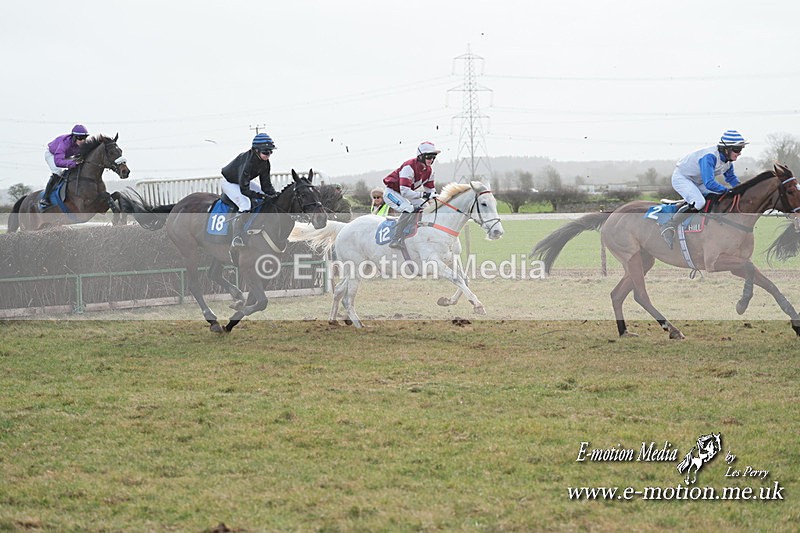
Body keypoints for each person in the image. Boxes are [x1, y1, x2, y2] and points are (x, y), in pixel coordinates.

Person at [661, 129, 747, 249]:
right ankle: (669, 225)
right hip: (682, 177)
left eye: (741, 149)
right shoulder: (710, 157)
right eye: (737, 150)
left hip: (698, 181)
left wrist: (743, 190)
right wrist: (729, 191)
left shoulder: (728, 162)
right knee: (700, 202)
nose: (739, 153)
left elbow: (732, 179)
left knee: (716, 197)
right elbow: (710, 183)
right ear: (726, 149)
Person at [221, 132, 278, 247]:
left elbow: (266, 185)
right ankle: (236, 237)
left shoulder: (265, 163)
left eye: (270, 152)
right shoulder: (248, 162)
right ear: (256, 150)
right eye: (266, 152)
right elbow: (244, 190)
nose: (268, 155)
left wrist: (275, 195)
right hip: (229, 182)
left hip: (241, 181)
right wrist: (261, 196)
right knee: (245, 204)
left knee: (266, 196)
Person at [382, 141, 440, 248]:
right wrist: (424, 195)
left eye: (433, 157)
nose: (431, 160)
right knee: (409, 209)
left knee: (426, 207)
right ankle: (395, 238)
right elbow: (405, 191)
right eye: (428, 156)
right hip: (392, 192)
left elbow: (431, 190)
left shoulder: (430, 171)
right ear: (420, 156)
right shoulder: (409, 167)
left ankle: (418, 233)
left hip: (406, 194)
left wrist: (438, 198)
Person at [40, 124, 89, 208]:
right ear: (74, 137)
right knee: (57, 171)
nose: (83, 141)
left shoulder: (81, 143)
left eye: (84, 138)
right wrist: (74, 163)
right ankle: (45, 198)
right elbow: (58, 162)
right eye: (80, 138)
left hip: (66, 155)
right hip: (52, 155)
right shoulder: (64, 143)